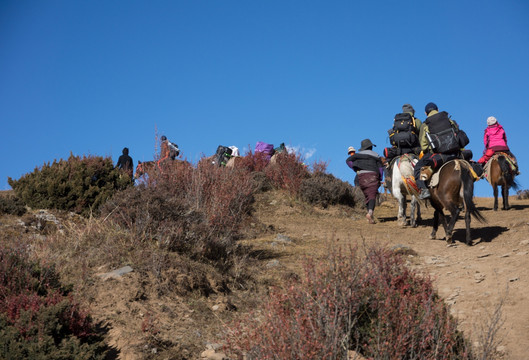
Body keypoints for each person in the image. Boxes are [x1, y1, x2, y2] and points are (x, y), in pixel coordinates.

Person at [413, 102, 463, 200]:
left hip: (437, 155)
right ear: (438, 110)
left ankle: (424, 190)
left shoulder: (425, 124)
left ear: (425, 113)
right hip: (454, 153)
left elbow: (423, 146)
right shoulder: (449, 120)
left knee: (418, 167)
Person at [346, 139, 383, 224]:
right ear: (370, 147)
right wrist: (380, 178)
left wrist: (355, 168)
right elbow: (380, 168)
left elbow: (348, 161)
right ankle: (370, 213)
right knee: (372, 196)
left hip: (361, 177)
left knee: (367, 195)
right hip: (373, 176)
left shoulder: (358, 155)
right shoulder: (376, 155)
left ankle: (369, 215)